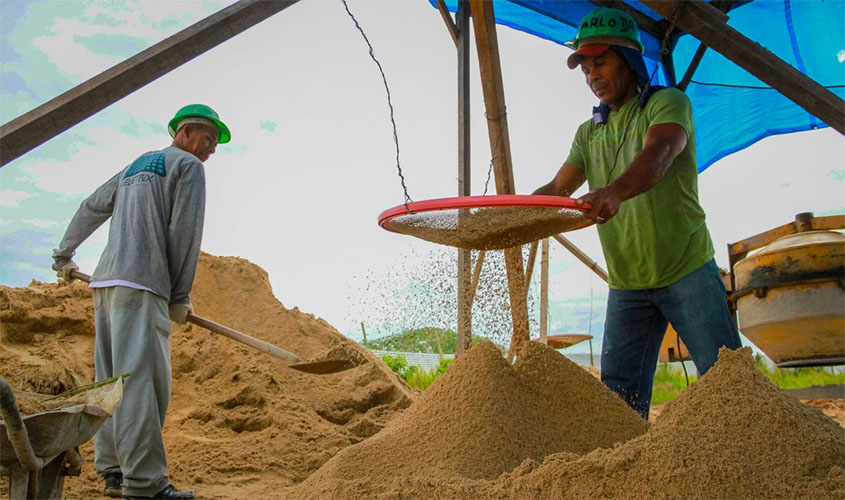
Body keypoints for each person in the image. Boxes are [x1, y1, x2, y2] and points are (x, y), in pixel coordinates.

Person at [534, 7, 741, 419]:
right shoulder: (588, 131)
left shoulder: (666, 104)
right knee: (617, 403)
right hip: (627, 284)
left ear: (629, 58)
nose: (592, 74)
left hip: (686, 270)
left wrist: (615, 192)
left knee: (730, 384)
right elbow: (558, 190)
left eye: (601, 61)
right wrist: (515, 215)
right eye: (585, 67)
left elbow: (659, 153)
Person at [52, 104, 231, 499]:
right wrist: (179, 295)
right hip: (142, 285)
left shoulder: (136, 167)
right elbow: (184, 232)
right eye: (209, 139)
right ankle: (145, 484)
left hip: (105, 284)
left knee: (112, 382)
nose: (212, 150)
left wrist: (64, 253)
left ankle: (114, 472)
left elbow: (91, 206)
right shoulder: (187, 167)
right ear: (185, 134)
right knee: (142, 387)